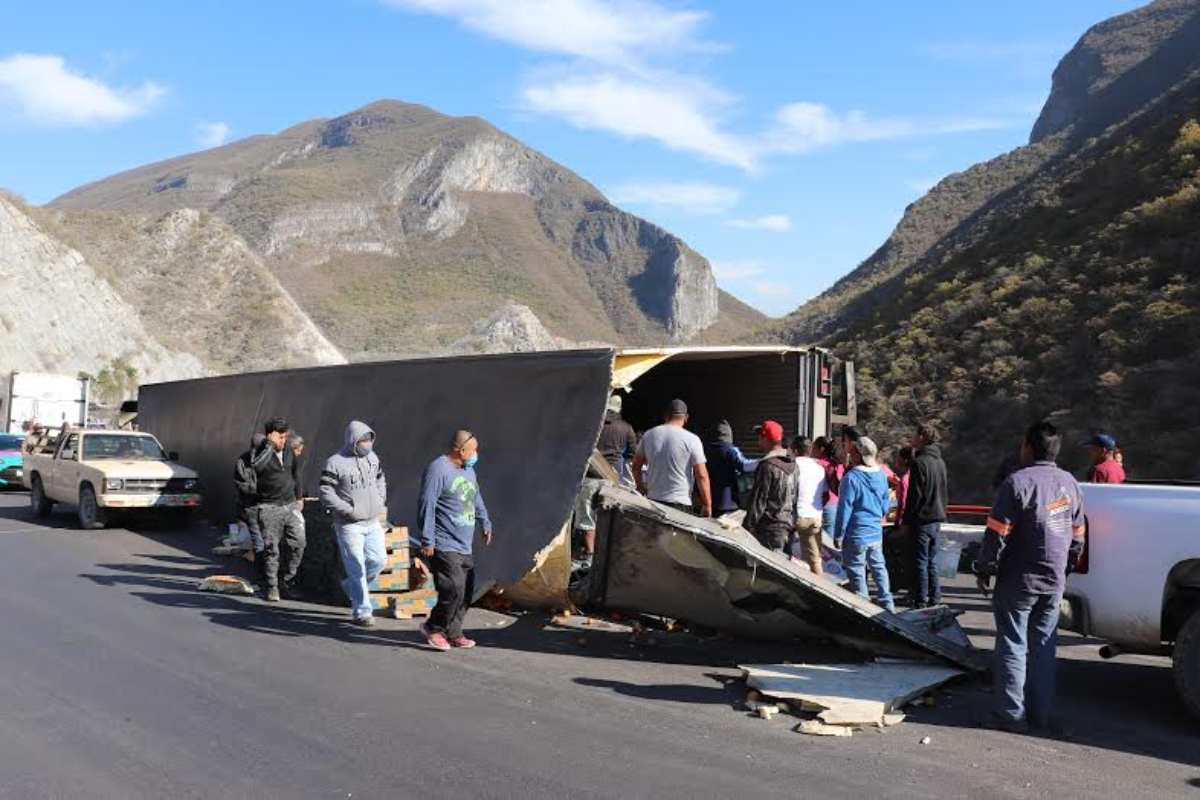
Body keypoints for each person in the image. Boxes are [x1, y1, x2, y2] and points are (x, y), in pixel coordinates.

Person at [974, 421, 1084, 733]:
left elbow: (997, 534)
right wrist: (1067, 567)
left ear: (1028, 447)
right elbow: (1078, 535)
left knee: (1012, 643)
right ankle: (1041, 715)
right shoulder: (1071, 484)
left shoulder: (1017, 483)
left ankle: (1010, 715)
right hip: (1054, 580)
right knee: (1044, 646)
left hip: (1018, 580)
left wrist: (985, 569)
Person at [417, 430, 494, 652]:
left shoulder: (468, 471)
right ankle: (433, 627)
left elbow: (475, 497)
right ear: (461, 451)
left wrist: (485, 521)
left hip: (464, 544)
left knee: (467, 590)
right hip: (443, 542)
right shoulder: (438, 469)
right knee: (453, 587)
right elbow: (427, 504)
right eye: (473, 450)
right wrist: (427, 539)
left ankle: (453, 631)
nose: (476, 454)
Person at [319, 420, 387, 626]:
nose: (368, 444)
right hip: (349, 525)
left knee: (379, 560)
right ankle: (362, 611)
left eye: (370, 439)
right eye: (363, 440)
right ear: (353, 440)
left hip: (372, 520)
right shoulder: (335, 462)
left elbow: (380, 479)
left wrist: (380, 499)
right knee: (356, 566)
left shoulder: (372, 458)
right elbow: (325, 492)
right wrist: (349, 510)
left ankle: (351, 586)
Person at [833, 436, 895, 612]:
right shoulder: (881, 475)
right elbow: (885, 505)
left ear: (858, 455)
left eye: (852, 452)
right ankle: (888, 606)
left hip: (855, 534)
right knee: (879, 568)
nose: (849, 454)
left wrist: (838, 534)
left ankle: (864, 610)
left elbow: (844, 508)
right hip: (875, 532)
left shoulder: (851, 478)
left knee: (857, 572)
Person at [250, 418, 305, 602]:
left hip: (290, 505)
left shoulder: (289, 450)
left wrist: (299, 497)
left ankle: (285, 580)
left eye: (284, 437)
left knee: (298, 543)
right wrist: (270, 446)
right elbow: (257, 467)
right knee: (272, 549)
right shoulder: (260, 451)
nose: (283, 441)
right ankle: (272, 586)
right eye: (280, 437)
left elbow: (296, 473)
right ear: (271, 436)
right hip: (269, 507)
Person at [632, 399, 712, 517]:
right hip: (680, 504)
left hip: (653, 501)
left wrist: (640, 487)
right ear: (686, 418)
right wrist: (707, 504)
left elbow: (636, 466)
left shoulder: (649, 435)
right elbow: (701, 475)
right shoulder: (692, 439)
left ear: (666, 416)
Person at [904, 421, 948, 608]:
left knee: (920, 561)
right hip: (937, 516)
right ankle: (935, 597)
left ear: (922, 437)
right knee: (931, 560)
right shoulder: (940, 462)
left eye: (915, 435)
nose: (912, 438)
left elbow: (914, 495)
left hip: (922, 519)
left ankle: (920, 599)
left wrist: (907, 520)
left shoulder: (919, 462)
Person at [742, 420, 796, 552]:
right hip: (787, 526)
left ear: (766, 439)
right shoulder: (794, 465)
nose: (758, 440)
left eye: (760, 436)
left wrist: (747, 527)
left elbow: (758, 500)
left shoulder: (767, 466)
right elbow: (794, 497)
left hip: (769, 529)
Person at [706, 419, 758, 517]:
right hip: (728, 502)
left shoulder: (707, 450)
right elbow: (744, 465)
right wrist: (763, 461)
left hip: (711, 500)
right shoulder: (730, 450)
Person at [792, 436, 827, 574]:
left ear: (795, 450)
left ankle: (821, 591)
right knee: (815, 557)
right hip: (816, 517)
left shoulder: (793, 465)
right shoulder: (820, 468)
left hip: (798, 516)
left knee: (813, 561)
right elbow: (824, 493)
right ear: (810, 449)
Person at [233, 433, 267, 554]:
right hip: (251, 506)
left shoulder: (271, 459)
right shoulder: (243, 460)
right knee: (259, 541)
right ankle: (261, 567)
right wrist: (259, 491)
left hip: (268, 507)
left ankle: (266, 566)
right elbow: (241, 484)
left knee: (267, 540)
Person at [596, 394, 638, 489]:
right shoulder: (627, 428)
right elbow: (631, 455)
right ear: (619, 409)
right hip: (612, 473)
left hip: (590, 467)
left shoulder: (596, 422)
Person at [813, 437, 844, 540]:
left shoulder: (819, 464)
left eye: (814, 448)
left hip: (825, 505)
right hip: (838, 504)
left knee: (827, 542)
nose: (812, 451)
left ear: (821, 449)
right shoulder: (837, 464)